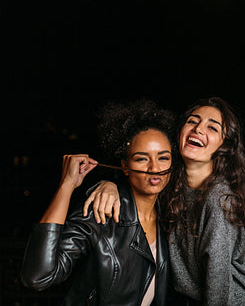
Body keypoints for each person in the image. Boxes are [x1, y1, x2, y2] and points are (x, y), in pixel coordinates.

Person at [84, 97, 245, 306]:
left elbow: (218, 284)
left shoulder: (219, 200)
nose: (198, 129)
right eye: (192, 121)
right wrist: (109, 185)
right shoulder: (172, 184)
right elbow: (138, 187)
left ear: (224, 145)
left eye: (212, 127)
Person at [20, 100, 176, 305]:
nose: (154, 168)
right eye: (141, 159)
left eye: (163, 158)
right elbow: (38, 277)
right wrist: (67, 185)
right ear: (125, 166)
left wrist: (108, 183)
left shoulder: (170, 215)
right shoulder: (100, 211)